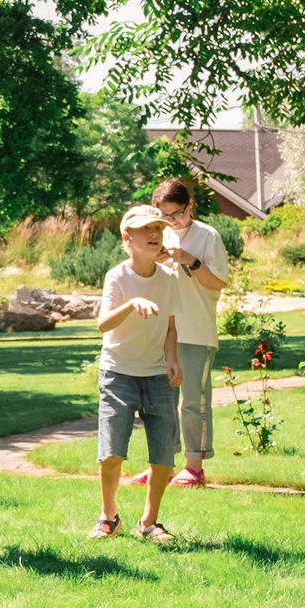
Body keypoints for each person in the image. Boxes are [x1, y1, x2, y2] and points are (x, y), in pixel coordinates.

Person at [128, 177, 230, 488]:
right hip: (160, 331)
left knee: (193, 401)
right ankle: (162, 466)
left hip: (196, 330)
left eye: (178, 214)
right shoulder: (157, 235)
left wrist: (188, 259)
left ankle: (194, 467)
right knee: (159, 402)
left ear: (190, 205)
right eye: (164, 217)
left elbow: (219, 283)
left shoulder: (206, 236)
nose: (172, 222)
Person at [93, 204, 186, 541]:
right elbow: (103, 324)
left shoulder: (169, 279)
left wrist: (171, 359)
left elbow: (171, 327)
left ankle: (149, 522)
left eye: (158, 229)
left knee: (163, 455)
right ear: (126, 237)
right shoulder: (117, 276)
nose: (153, 234)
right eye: (145, 229)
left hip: (158, 376)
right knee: (111, 453)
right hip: (118, 373)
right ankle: (108, 517)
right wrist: (132, 304)